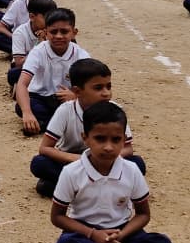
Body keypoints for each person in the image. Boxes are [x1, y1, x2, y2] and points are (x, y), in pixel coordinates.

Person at [50, 101, 185, 243]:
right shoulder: (71, 172)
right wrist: (93, 234)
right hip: (85, 233)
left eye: (116, 140)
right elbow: (57, 217)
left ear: (124, 140)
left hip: (122, 234)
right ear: (85, 138)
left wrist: (121, 234)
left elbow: (143, 214)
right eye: (100, 139)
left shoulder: (131, 170)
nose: (108, 147)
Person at [30, 59, 144, 198]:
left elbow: (128, 148)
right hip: (73, 163)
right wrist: (81, 159)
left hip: (106, 162)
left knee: (138, 164)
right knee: (40, 163)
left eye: (108, 87)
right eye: (98, 88)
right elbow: (45, 148)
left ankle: (75, 188)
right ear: (77, 91)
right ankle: (104, 189)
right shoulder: (65, 111)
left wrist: (105, 158)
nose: (106, 93)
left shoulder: (115, 110)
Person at [14, 8, 87, 135]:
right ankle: (64, 126)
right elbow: (22, 84)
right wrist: (27, 113)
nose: (58, 36)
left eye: (64, 31)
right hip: (40, 98)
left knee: (90, 107)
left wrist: (76, 97)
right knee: (23, 106)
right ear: (46, 33)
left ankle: (47, 125)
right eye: (53, 32)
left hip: (67, 99)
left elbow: (92, 86)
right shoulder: (38, 52)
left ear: (74, 33)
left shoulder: (81, 55)